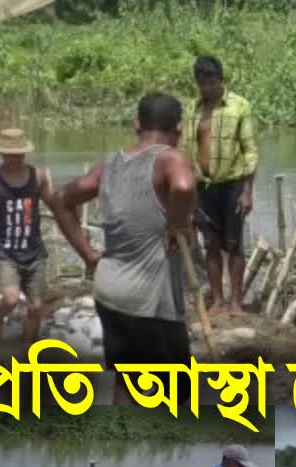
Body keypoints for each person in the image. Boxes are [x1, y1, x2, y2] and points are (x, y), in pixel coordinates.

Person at [62, 93, 196, 404]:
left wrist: (88, 254)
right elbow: (185, 186)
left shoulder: (108, 164)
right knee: (178, 393)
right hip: (151, 302)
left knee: (126, 383)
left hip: (109, 292)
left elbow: (61, 200)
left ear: (137, 124)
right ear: (179, 128)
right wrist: (178, 223)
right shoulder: (170, 157)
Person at [0, 128, 98, 347]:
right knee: (11, 298)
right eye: (10, 155)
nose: (15, 159)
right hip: (7, 252)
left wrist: (72, 205)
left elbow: (54, 204)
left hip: (34, 252)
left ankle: (29, 346)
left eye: (19, 155)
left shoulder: (38, 176)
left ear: (25, 154)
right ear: (2, 154)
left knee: (35, 307)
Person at [181, 56, 256, 316]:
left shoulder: (239, 106)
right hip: (203, 187)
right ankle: (217, 301)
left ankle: (236, 302)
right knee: (210, 243)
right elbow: (185, 151)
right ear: (198, 83)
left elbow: (249, 152)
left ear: (221, 80)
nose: (208, 88)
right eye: (203, 83)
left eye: (213, 82)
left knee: (234, 244)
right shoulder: (192, 110)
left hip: (232, 184)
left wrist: (247, 191)